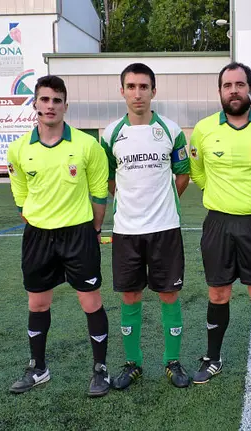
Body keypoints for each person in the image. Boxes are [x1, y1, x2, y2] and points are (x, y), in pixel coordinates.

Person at [6, 75, 111, 397]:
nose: (50, 106)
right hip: (38, 236)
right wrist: (39, 218)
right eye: (44, 99)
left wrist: (92, 229)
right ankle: (38, 368)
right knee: (37, 303)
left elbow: (99, 193)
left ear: (66, 105)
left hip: (79, 233)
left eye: (56, 100)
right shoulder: (19, 149)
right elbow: (20, 193)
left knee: (90, 302)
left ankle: (100, 370)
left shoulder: (86, 145)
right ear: (35, 103)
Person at [188, 62, 251, 386]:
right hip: (218, 224)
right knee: (218, 293)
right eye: (227, 85)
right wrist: (220, 195)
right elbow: (198, 173)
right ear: (219, 91)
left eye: (240, 84)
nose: (234, 90)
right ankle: (213, 358)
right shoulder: (203, 130)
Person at [100, 63, 191, 390]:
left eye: (143, 86)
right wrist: (128, 199)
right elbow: (107, 178)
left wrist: (164, 201)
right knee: (130, 296)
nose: (137, 93)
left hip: (165, 229)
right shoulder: (110, 134)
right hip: (126, 231)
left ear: (154, 91)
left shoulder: (171, 129)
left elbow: (183, 173)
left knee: (169, 294)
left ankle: (172, 361)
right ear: (122, 90)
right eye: (131, 86)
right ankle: (132, 363)